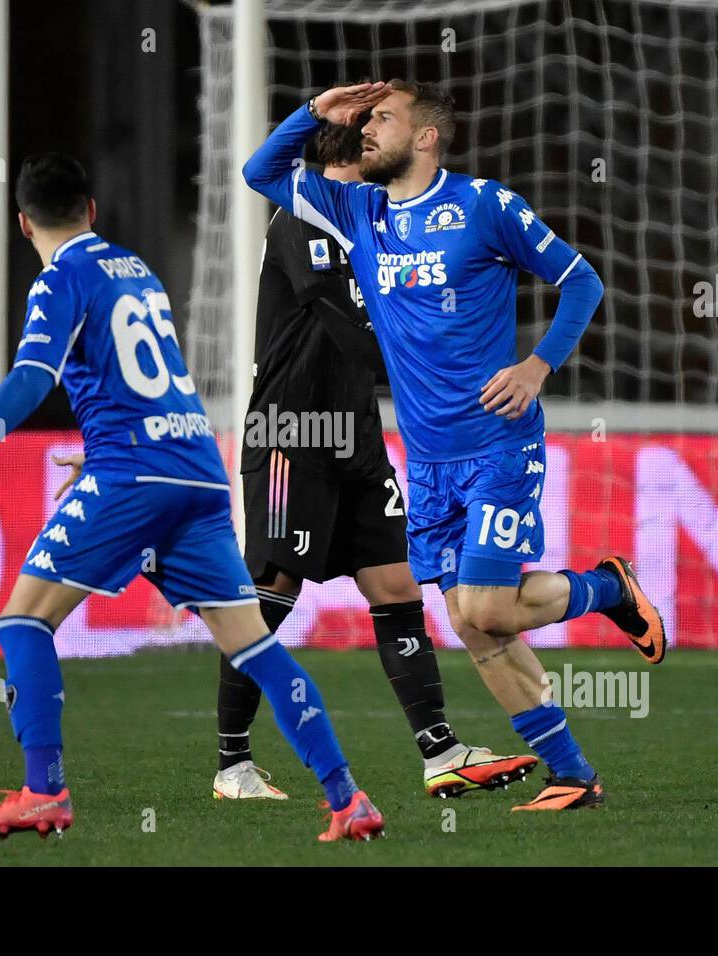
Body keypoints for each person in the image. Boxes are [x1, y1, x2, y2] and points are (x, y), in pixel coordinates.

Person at [0, 153, 384, 841]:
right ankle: (348, 798)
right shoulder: (136, 271)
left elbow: (29, 381)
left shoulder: (58, 280)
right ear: (92, 211)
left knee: (22, 624)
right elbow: (145, 382)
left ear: (23, 223)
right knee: (252, 645)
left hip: (134, 473)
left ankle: (44, 793)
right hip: (193, 470)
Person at [242, 80, 667, 811]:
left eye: (383, 119)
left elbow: (581, 281)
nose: (367, 130)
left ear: (428, 136)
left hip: (497, 444)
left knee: (491, 610)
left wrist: (538, 366)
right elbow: (260, 173)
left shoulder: (484, 206)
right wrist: (317, 112)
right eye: (366, 120)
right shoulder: (359, 210)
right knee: (471, 622)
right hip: (430, 461)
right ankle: (572, 776)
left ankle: (607, 589)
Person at [216, 114, 535, 802]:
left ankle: (440, 751)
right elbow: (349, 321)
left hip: (356, 437)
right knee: (271, 593)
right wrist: (436, 359)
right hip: (290, 435)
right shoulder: (302, 218)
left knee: (395, 586)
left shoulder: (378, 229)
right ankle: (233, 764)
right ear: (361, 157)